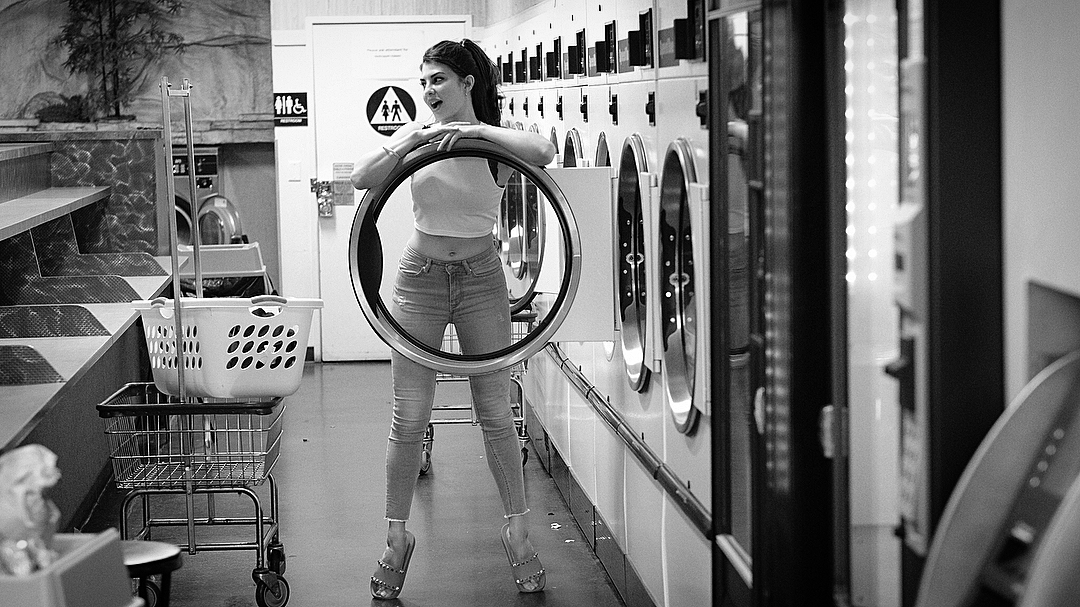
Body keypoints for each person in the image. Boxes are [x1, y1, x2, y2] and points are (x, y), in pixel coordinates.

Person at [350, 38, 556, 600]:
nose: (428, 90)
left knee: (495, 411)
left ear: (467, 83)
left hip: (481, 279)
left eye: (438, 79)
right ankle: (396, 539)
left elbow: (544, 150)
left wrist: (478, 131)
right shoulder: (418, 139)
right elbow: (361, 178)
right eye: (423, 81)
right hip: (419, 278)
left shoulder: (494, 145)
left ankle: (517, 532)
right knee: (408, 417)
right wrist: (410, 139)